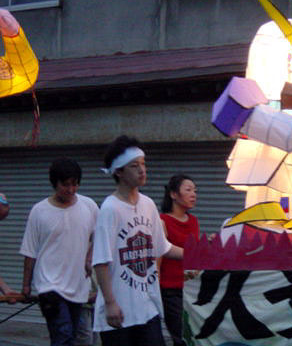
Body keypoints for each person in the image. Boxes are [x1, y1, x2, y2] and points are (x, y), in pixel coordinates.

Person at [92, 135, 184, 346]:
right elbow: (100, 261)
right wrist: (110, 303)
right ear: (119, 172)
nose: (142, 170)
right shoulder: (110, 209)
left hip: (147, 307)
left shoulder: (148, 204)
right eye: (134, 166)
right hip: (120, 311)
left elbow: (163, 247)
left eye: (143, 164)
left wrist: (199, 254)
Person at [20, 158, 99, 346]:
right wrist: (26, 286)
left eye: (75, 184)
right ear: (55, 183)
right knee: (63, 335)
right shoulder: (39, 211)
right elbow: (30, 251)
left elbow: (100, 237)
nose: (71, 190)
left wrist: (89, 258)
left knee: (74, 336)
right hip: (49, 286)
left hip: (78, 286)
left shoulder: (89, 206)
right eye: (65, 185)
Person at [158, 174, 200, 346]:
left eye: (195, 190)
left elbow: (195, 253)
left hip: (191, 288)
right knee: (177, 335)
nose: (193, 194)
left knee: (192, 333)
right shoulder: (162, 221)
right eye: (188, 190)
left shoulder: (194, 221)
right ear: (173, 194)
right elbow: (158, 256)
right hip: (170, 289)